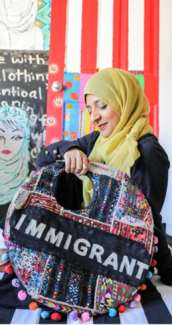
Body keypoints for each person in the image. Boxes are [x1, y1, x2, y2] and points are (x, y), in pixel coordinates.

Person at [36, 67, 172, 285]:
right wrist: (71, 149)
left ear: (124, 100)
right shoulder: (97, 140)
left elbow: (147, 219)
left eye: (102, 105)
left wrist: (166, 266)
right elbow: (42, 159)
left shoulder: (147, 152)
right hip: (85, 243)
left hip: (119, 256)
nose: (95, 117)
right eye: (90, 109)